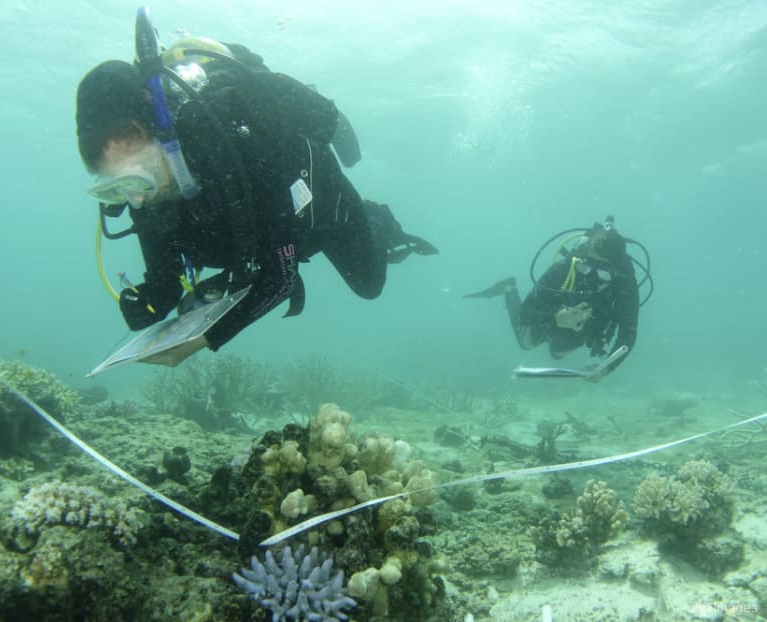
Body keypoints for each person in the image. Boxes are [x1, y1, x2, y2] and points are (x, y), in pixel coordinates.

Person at [76, 11, 437, 364]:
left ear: (166, 138)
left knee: (369, 286)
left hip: (319, 210)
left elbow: (280, 278)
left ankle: (375, 218)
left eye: (141, 177)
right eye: (115, 188)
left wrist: (203, 340)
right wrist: (148, 303)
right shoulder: (144, 197)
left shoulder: (237, 149)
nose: (136, 197)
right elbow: (165, 281)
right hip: (263, 237)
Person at [465, 219, 644, 378]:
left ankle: (558, 338)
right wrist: (555, 317)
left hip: (586, 325)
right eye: (587, 266)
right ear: (582, 258)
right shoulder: (564, 268)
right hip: (551, 314)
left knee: (558, 354)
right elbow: (525, 311)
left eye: (603, 270)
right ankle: (508, 289)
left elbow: (629, 331)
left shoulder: (625, 284)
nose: (592, 276)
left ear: (616, 269)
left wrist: (606, 368)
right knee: (526, 343)